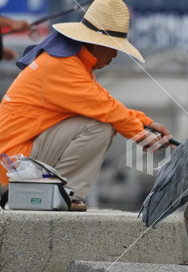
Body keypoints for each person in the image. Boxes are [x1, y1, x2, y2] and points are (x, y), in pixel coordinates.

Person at [0, 0, 172, 211]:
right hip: (13, 161)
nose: (115, 55)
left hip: (15, 154)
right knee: (100, 126)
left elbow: (105, 103)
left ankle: (55, 193)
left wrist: (146, 124)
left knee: (102, 121)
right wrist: (141, 134)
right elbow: (106, 110)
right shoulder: (64, 66)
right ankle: (64, 193)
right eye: (113, 48)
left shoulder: (69, 61)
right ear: (96, 43)